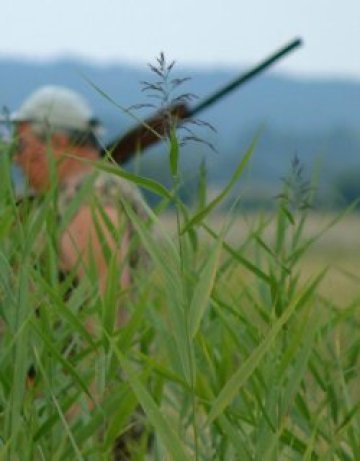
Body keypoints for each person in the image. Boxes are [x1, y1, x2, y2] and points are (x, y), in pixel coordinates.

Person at [10, 85, 147, 330]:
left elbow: (104, 316)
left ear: (57, 142)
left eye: (21, 147)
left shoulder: (93, 200)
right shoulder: (69, 195)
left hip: (69, 366)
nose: (16, 159)